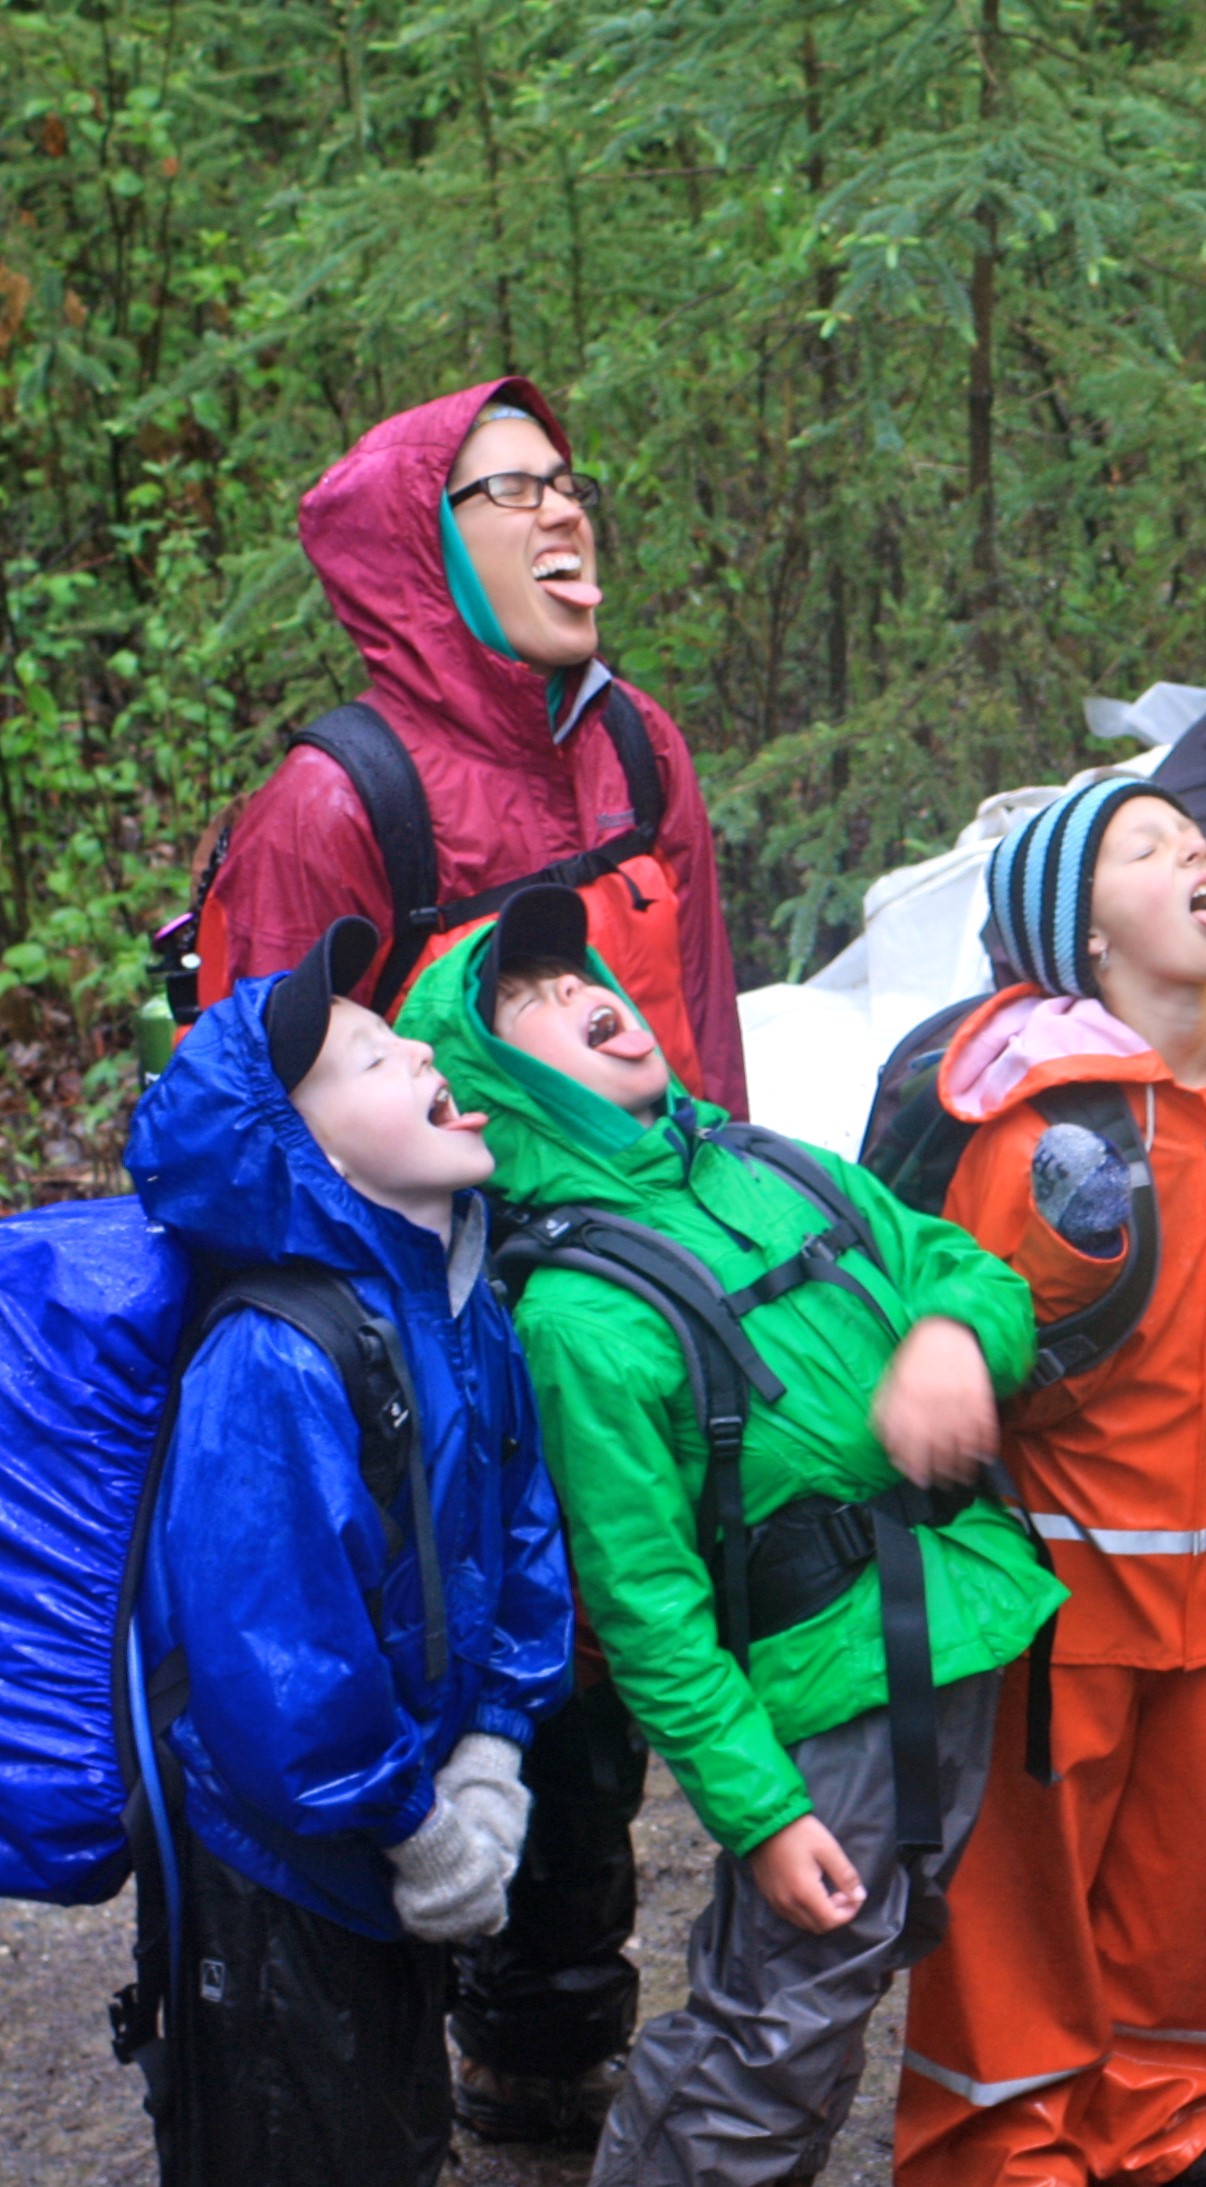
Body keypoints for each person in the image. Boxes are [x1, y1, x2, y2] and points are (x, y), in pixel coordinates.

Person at [193, 377, 746, 2145]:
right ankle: (369, 2080)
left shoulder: (636, 748)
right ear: (422, 548)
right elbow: (255, 1117)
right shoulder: (331, 804)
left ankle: (544, 2065)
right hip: (423, 1359)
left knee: (596, 1713)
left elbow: (700, 1039)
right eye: (509, 491)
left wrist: (722, 1258)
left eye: (569, 481)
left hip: (627, 1325)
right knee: (441, 1708)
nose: (563, 514)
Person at [402, 887, 1061, 2187]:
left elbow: (963, 1265)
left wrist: (949, 1336)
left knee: (842, 1978)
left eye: (575, 972)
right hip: (828, 1691)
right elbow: (645, 1606)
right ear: (495, 1084)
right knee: (782, 2017)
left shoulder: (776, 1165)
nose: (579, 994)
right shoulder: (580, 1317)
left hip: (963, 1614)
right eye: (525, 1002)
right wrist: (760, 1811)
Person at [891, 781, 1206, 2187]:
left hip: (1204, 1574)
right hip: (1055, 1584)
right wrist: (951, 1339)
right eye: (1145, 848)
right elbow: (963, 1302)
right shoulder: (1044, 1126)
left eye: (1194, 835)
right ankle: (1000, 2143)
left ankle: (1166, 2117)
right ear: (1081, 939)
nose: (1194, 848)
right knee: (1023, 1890)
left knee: (1171, 1874)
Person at [121, 916, 575, 2187]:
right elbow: (277, 1661)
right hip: (285, 1871)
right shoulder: (271, 1359)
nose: (422, 1048)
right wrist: (417, 1827)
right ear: (298, 1153)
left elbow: (522, 1533)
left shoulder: (459, 1307)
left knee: (394, 2124)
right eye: (371, 1058)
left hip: (399, 1833)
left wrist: (493, 1745)